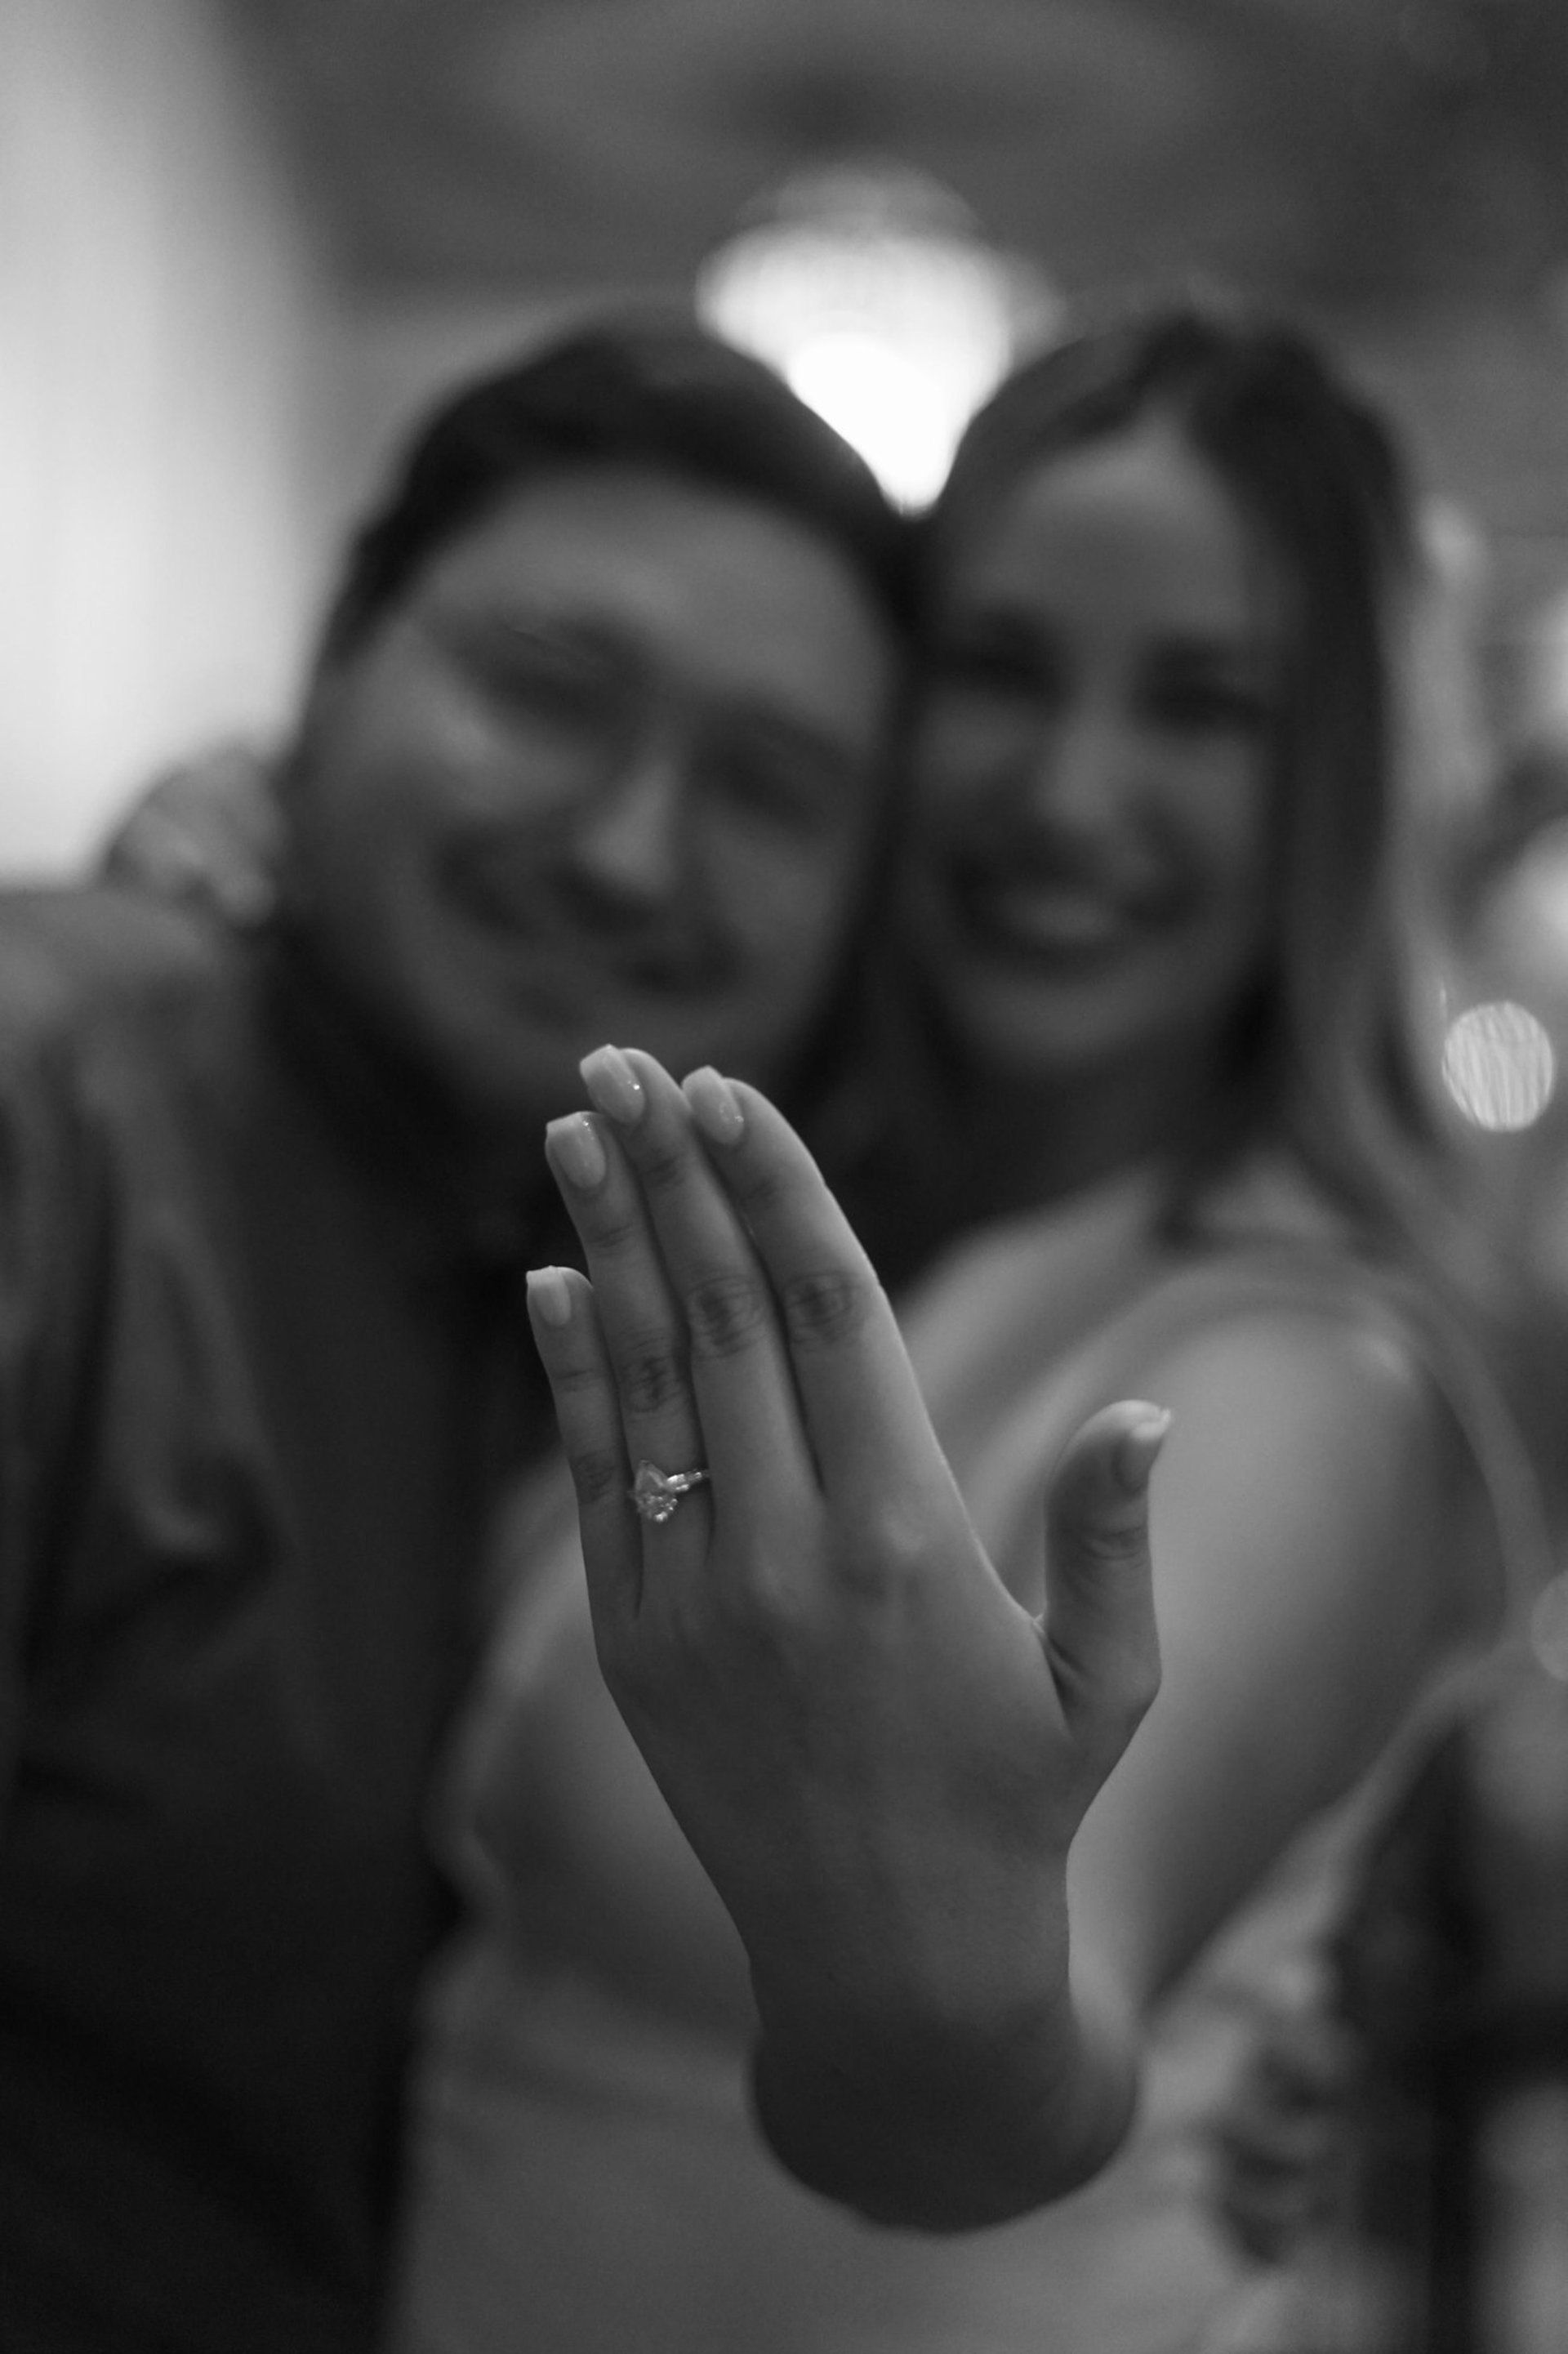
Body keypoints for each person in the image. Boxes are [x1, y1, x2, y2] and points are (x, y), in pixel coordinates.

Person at [385, 301, 1547, 2354]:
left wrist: (940, 1972)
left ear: (1338, 782)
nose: (1070, 791)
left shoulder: (1307, 1374)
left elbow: (1000, 2102)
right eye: (1001, 670)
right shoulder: (791, 1201)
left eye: (1205, 704)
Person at [0, 310, 947, 2353]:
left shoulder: (691, 1297)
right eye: (546, 688)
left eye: (771, 791)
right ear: (336, 669)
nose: (626, 846)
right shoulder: (58, 1119)